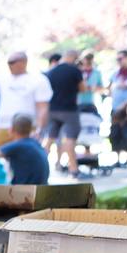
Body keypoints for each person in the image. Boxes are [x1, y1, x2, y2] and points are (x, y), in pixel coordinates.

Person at [0, 51, 51, 151]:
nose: (10, 65)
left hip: (27, 128)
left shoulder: (38, 79)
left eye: (12, 62)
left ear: (23, 62)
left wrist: (39, 129)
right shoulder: (2, 78)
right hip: (2, 126)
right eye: (8, 62)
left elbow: (43, 107)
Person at [43, 49, 84, 178]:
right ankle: (73, 169)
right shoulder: (74, 70)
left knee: (49, 139)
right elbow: (83, 88)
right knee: (70, 139)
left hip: (53, 109)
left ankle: (41, 166)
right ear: (73, 57)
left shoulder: (51, 72)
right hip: (69, 110)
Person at [0, 114, 50, 185]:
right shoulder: (35, 144)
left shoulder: (18, 145)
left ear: (11, 129)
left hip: (25, 191)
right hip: (40, 188)